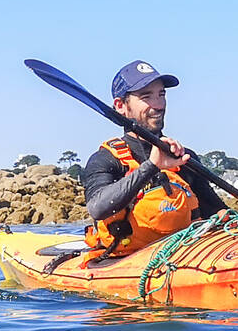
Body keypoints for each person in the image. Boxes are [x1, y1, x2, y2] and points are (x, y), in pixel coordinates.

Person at [78, 60, 227, 258]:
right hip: (126, 260)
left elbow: (218, 213)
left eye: (161, 94)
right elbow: (98, 208)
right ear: (121, 106)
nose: (158, 105)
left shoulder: (183, 157)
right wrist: (152, 166)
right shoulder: (105, 159)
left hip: (184, 256)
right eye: (146, 96)